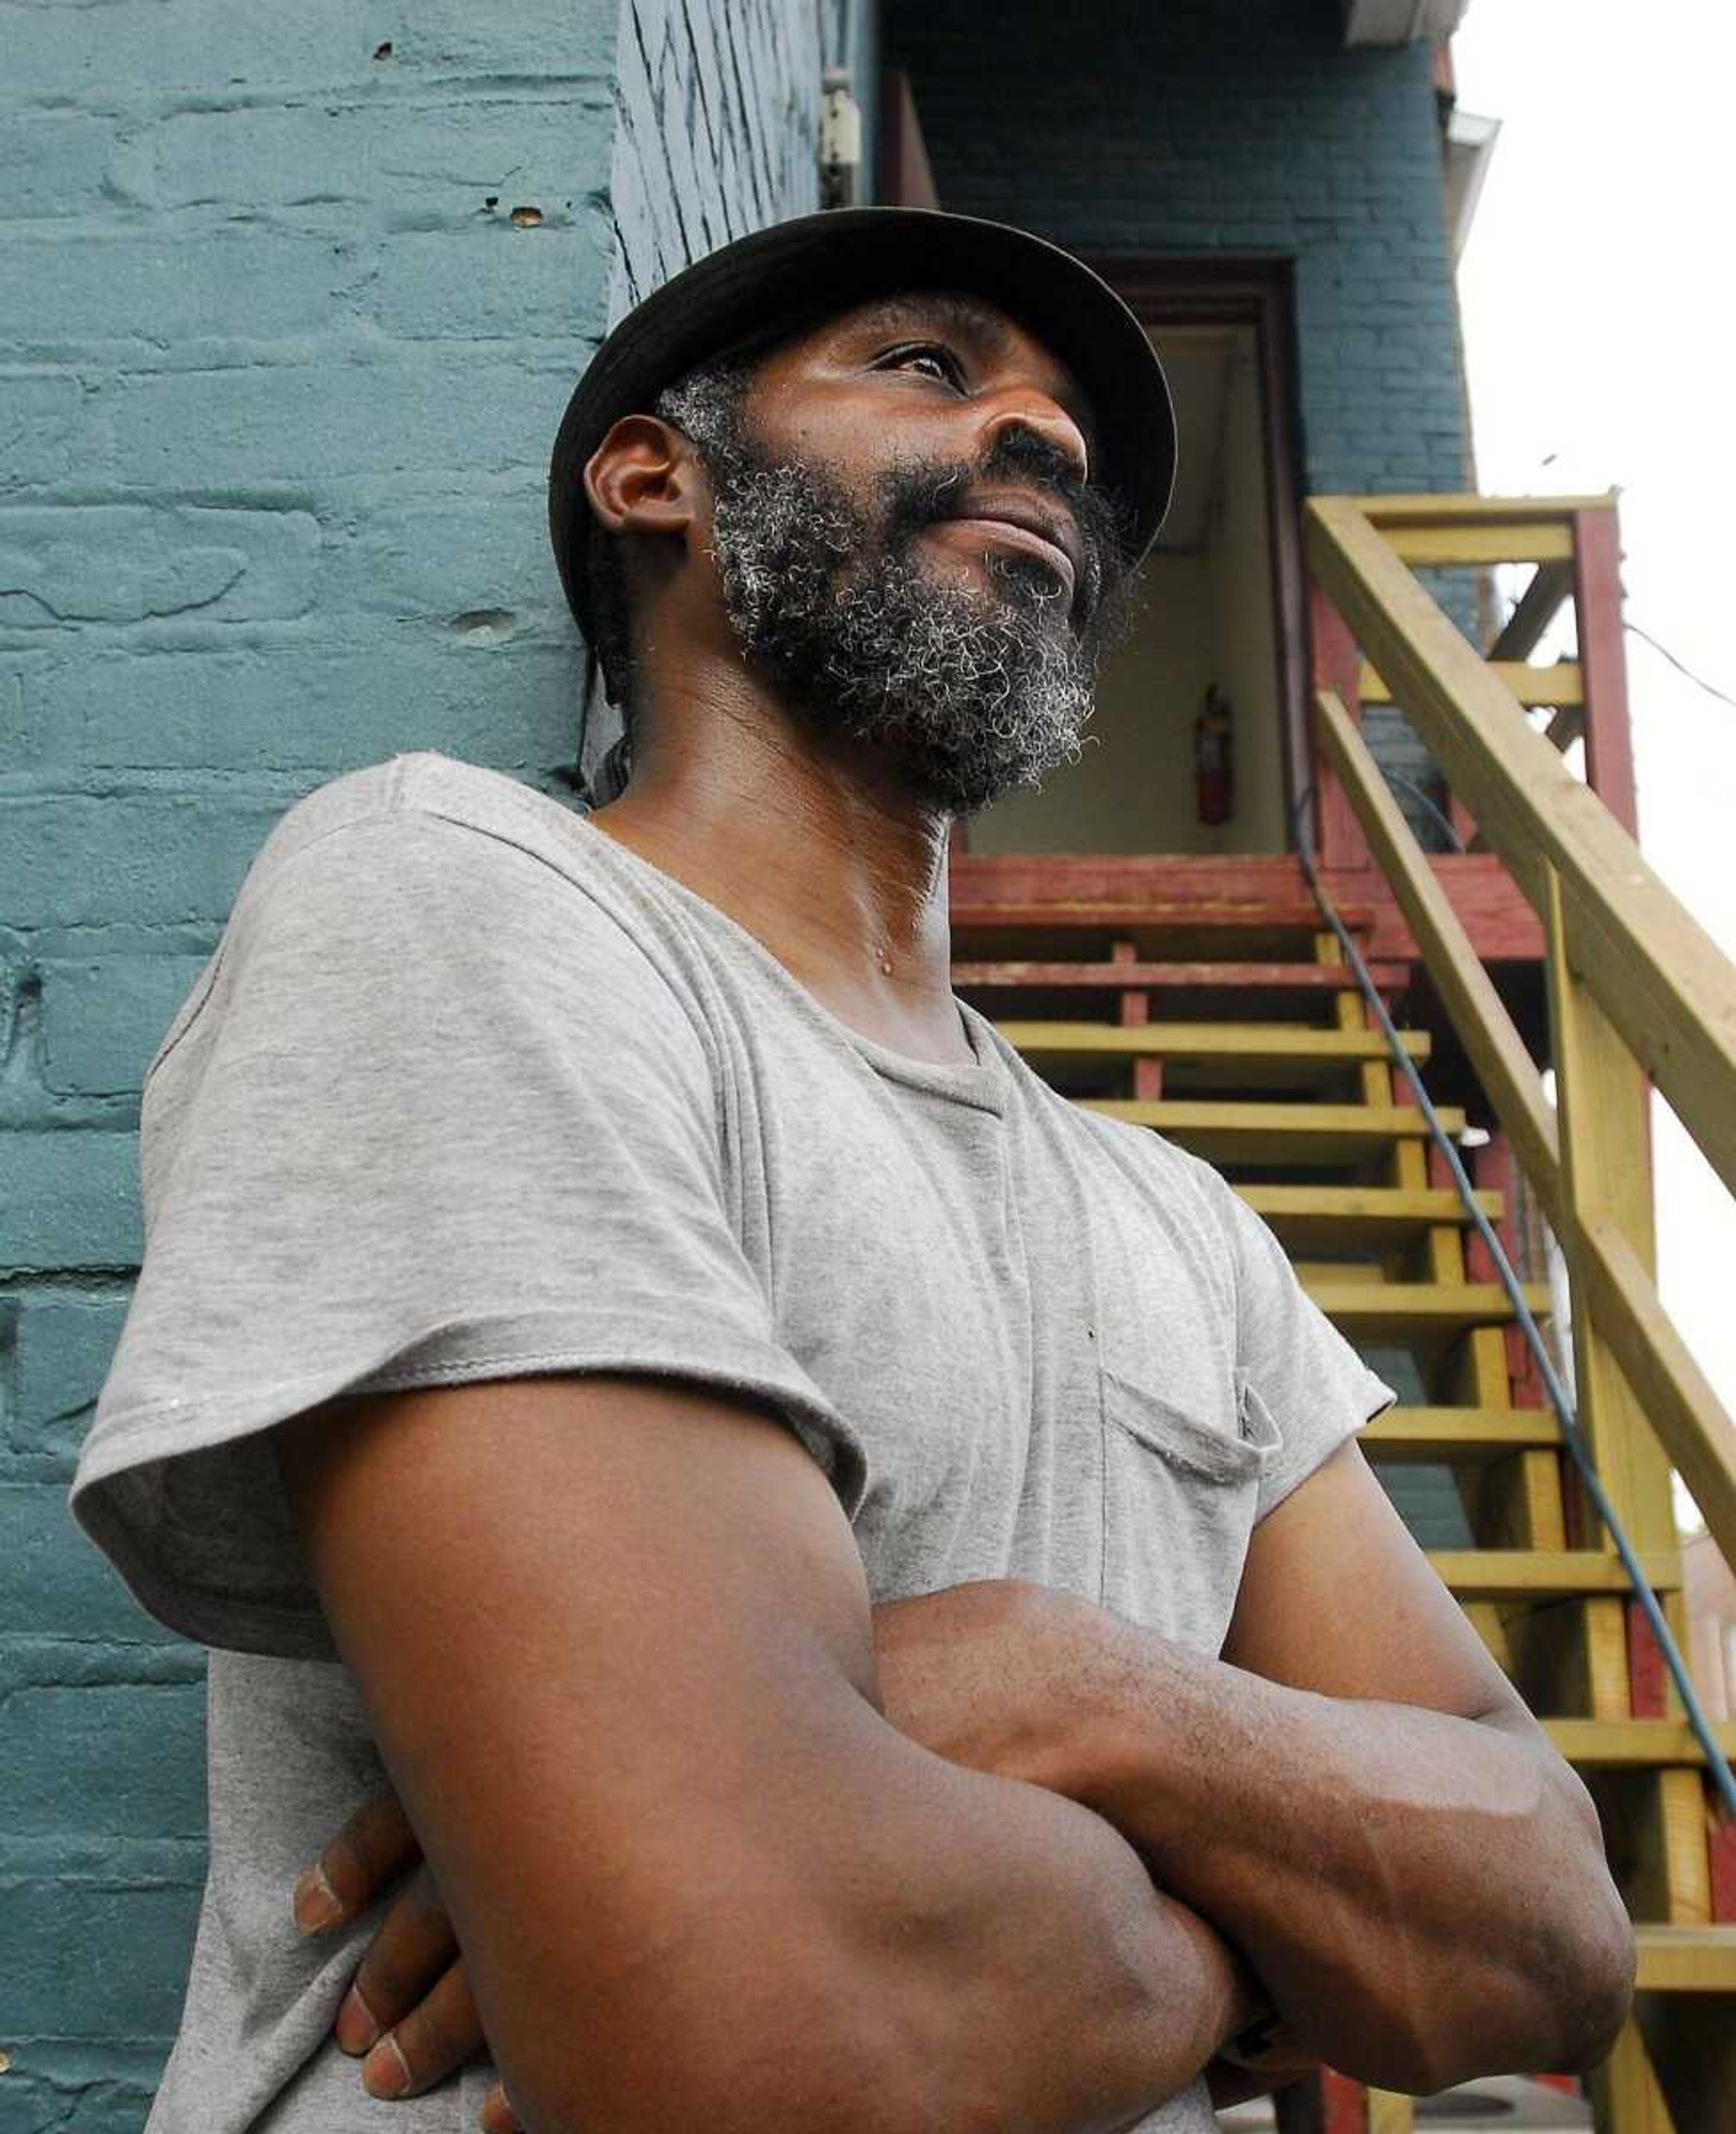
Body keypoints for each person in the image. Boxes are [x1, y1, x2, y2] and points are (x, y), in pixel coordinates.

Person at [70, 207, 1634, 2134]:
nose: (1047, 440)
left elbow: (1553, 1919)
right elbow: (765, 2027)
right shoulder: (460, 912)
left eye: (1068, 426)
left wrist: (1079, 1684)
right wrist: (1271, 1953)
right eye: (930, 366)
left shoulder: (1182, 1225)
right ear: (660, 475)